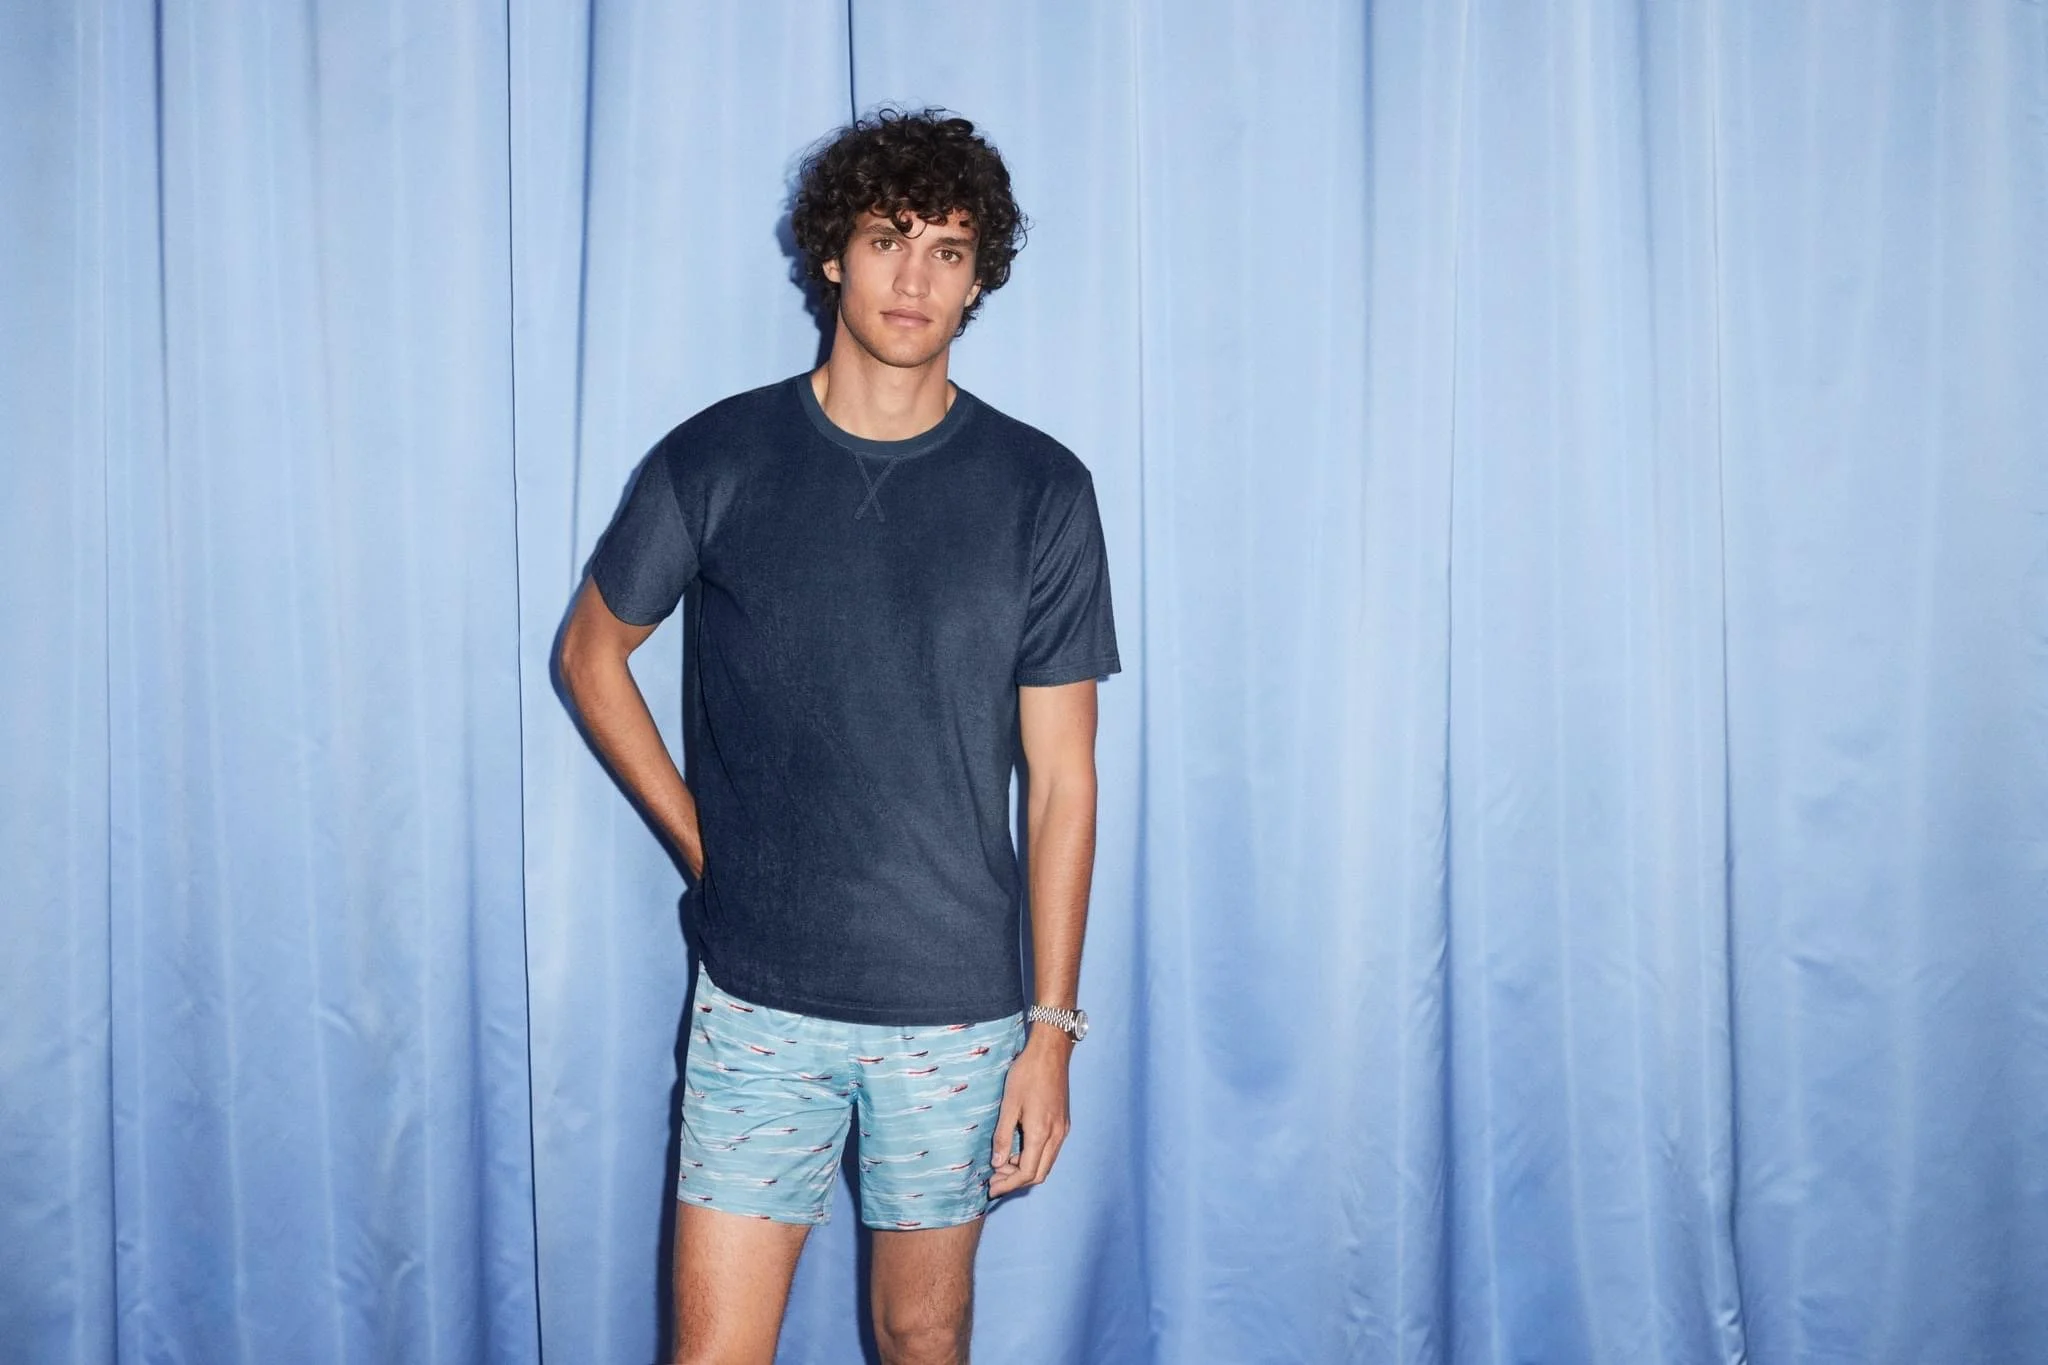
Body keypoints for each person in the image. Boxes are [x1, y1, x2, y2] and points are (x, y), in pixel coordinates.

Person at [557, 108, 1119, 1365]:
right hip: (758, 999)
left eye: (947, 251)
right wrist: (703, 842)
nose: (914, 278)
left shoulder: (1040, 490)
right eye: (886, 239)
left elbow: (1063, 782)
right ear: (832, 255)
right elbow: (591, 655)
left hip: (955, 1011)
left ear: (977, 279)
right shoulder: (717, 457)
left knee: (920, 1336)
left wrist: (1051, 1031)